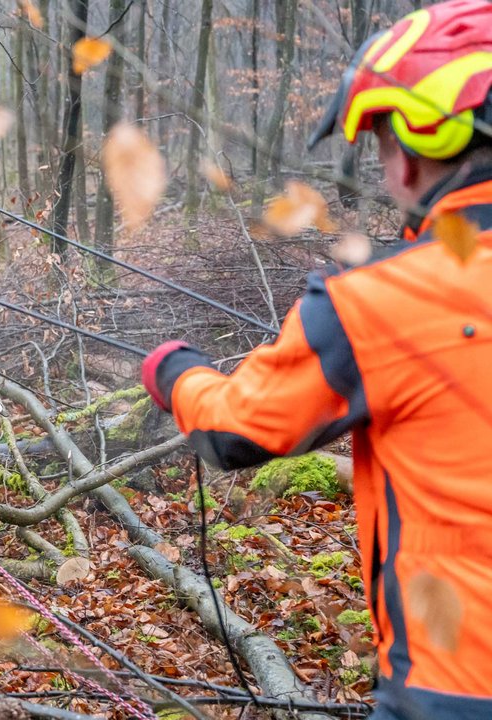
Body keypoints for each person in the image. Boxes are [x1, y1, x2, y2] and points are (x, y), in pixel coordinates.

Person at [139, 2, 492, 718]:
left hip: (456, 686)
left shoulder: (375, 302)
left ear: (432, 131)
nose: (387, 164)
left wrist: (173, 369)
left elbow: (235, 431)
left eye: (385, 137)